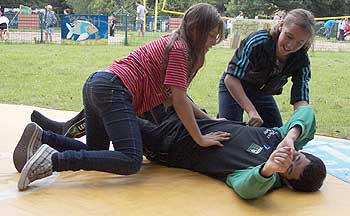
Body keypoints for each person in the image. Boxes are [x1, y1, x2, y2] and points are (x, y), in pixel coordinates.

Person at [13, 3, 227, 191]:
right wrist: (200, 138)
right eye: (211, 35)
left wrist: (209, 121)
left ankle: (44, 138)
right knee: (130, 160)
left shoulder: (173, 41)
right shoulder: (181, 50)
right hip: (113, 90)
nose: (213, 42)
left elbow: (180, 97)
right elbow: (179, 101)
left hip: (98, 83)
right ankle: (52, 161)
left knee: (96, 153)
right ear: (197, 29)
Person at [17, 103, 326, 199]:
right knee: (127, 91)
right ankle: (50, 135)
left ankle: (54, 137)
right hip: (184, 123)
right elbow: (307, 113)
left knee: (115, 105)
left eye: (290, 166)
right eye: (296, 155)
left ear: (287, 181)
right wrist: (292, 137)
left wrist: (270, 168)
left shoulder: (261, 176)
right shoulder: (285, 139)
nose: (289, 157)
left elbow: (246, 188)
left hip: (168, 144)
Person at [218, 9, 315, 128]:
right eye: (289, 36)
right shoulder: (258, 42)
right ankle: (221, 121)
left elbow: (300, 96)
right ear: (281, 26)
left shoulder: (301, 59)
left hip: (260, 92)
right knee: (230, 130)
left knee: (274, 131)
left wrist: (300, 121)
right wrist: (251, 111)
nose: (291, 46)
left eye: (299, 43)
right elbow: (230, 78)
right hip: (234, 85)